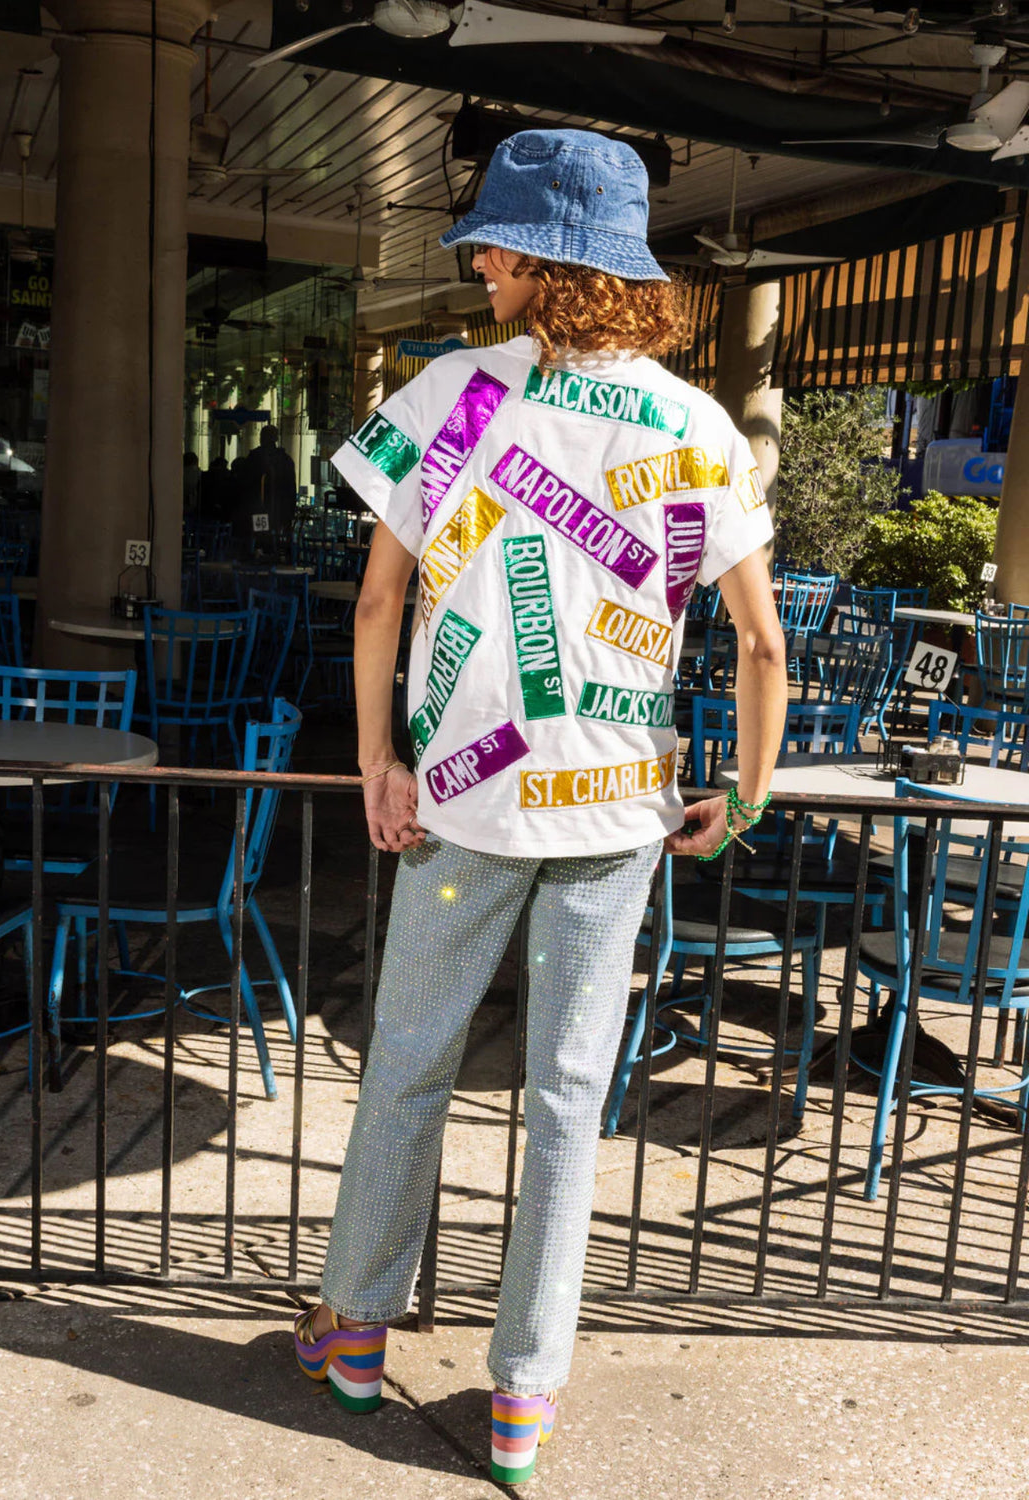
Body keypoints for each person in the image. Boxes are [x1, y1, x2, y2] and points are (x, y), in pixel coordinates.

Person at [295, 128, 787, 1483]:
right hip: (620, 817)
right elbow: (758, 647)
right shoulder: (694, 425)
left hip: (463, 799)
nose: (480, 261)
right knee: (571, 1096)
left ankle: (351, 1336)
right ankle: (523, 1401)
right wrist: (737, 797)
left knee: (406, 1066)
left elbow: (382, 602)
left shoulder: (453, 393)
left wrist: (376, 763)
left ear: (534, 255)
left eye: (493, 242)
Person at [236, 423, 296, 553]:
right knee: (275, 542)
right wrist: (289, 513)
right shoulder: (285, 460)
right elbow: (291, 489)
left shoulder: (255, 458)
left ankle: (260, 558)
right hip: (280, 511)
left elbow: (245, 485)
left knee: (259, 540)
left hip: (259, 509)